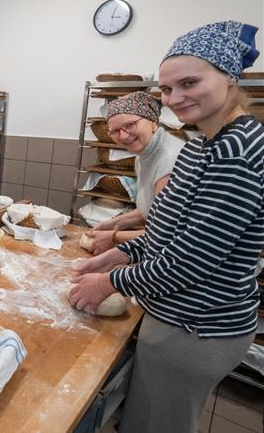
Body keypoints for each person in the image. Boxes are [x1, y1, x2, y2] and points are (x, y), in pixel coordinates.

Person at [71, 21, 263, 433]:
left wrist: (109, 283)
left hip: (199, 327)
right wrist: (119, 252)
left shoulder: (238, 151)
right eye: (167, 89)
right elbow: (164, 226)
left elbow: (190, 260)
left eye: (190, 82)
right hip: (174, 316)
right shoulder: (202, 144)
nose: (175, 98)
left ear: (229, 76)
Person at [88, 91, 185, 254]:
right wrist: (113, 224)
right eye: (115, 131)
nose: (123, 136)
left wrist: (114, 236)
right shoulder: (144, 156)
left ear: (153, 122)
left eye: (130, 125)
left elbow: (169, 232)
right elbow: (152, 210)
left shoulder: (170, 158)